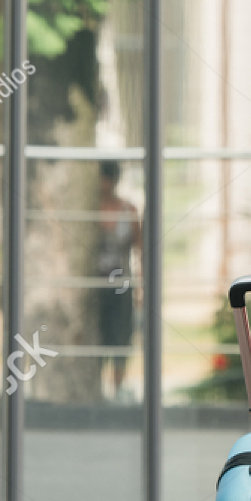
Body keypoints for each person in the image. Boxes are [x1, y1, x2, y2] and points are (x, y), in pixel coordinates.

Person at [97, 161, 141, 399]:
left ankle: (116, 391)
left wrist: (142, 288)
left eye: (107, 178)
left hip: (122, 285)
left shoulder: (128, 210)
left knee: (122, 335)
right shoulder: (87, 210)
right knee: (97, 335)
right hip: (94, 287)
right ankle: (98, 391)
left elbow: (141, 250)